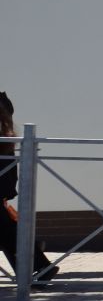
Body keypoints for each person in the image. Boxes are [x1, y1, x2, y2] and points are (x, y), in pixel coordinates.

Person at [0, 92, 55, 285]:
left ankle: (37, 265)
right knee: (4, 225)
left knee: (4, 226)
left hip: (2, 171)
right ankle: (37, 266)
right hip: (4, 171)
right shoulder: (3, 102)